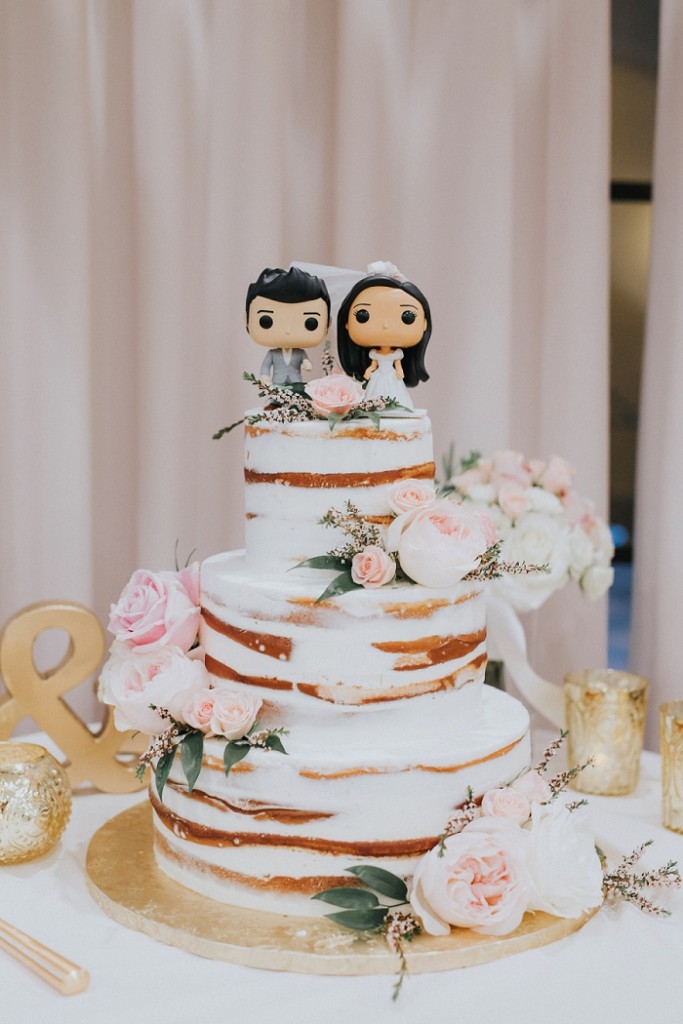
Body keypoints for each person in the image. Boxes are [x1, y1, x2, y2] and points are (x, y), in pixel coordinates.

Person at [336, 270, 431, 410]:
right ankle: (373, 407)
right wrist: (368, 371)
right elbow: (373, 365)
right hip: (378, 375)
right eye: (363, 316)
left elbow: (398, 364)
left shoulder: (396, 354)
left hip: (391, 375)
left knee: (395, 393)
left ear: (424, 324)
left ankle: (395, 407)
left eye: (407, 316)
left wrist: (399, 371)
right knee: (374, 393)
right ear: (346, 322)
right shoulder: (375, 354)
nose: (385, 325)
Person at [245, 266, 331, 386]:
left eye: (310, 323)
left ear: (328, 322)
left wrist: (306, 363)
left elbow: (306, 361)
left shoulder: (300, 352)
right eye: (266, 321)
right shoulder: (272, 353)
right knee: (276, 398)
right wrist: (264, 375)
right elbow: (266, 366)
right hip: (277, 382)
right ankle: (274, 403)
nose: (288, 330)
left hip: (296, 381)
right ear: (247, 319)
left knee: (296, 396)